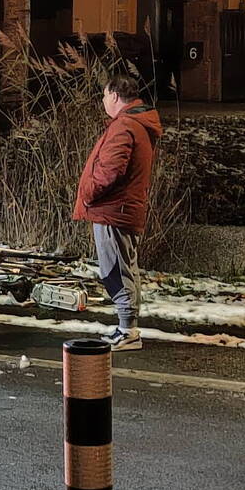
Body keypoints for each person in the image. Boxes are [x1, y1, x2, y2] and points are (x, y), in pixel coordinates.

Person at [73, 75, 163, 352]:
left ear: (114, 95)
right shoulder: (138, 123)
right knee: (125, 266)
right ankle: (127, 328)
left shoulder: (125, 126)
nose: (102, 101)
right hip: (123, 208)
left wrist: (87, 194)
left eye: (103, 96)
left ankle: (128, 331)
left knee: (115, 269)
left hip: (114, 209)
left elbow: (110, 171)